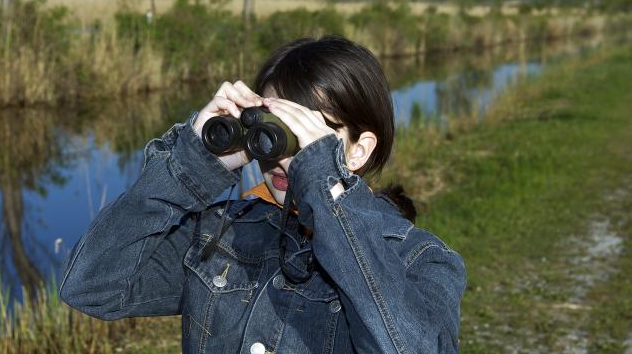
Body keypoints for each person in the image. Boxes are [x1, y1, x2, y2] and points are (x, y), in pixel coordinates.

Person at [59, 36, 466, 353]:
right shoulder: (219, 235)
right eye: (275, 128)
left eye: (307, 130)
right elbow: (90, 287)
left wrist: (324, 188)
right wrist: (189, 167)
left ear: (359, 149)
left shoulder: (421, 259)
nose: (283, 156)